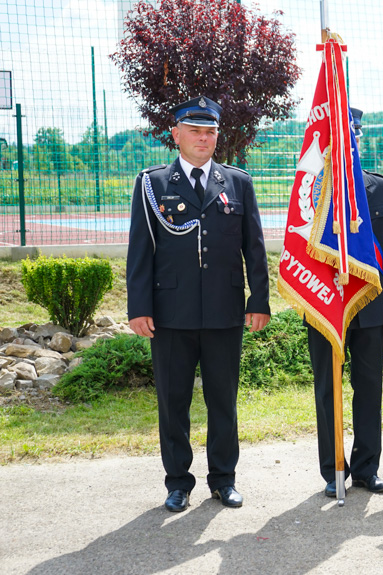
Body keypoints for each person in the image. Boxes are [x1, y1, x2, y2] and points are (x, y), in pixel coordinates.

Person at [127, 96, 271, 512]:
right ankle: (178, 482)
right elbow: (140, 251)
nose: (204, 138)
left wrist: (257, 299)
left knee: (223, 400)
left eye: (210, 131)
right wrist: (139, 307)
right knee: (173, 402)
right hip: (171, 314)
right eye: (195, 130)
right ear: (176, 134)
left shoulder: (237, 182)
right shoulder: (152, 184)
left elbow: (255, 249)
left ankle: (223, 478)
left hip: (225, 313)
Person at [306, 108, 383, 497]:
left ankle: (366, 468)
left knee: (369, 388)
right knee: (327, 390)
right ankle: (334, 470)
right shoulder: (311, 188)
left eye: (355, 136)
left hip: (369, 305)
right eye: (341, 136)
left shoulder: (377, 188)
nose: (349, 143)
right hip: (324, 301)